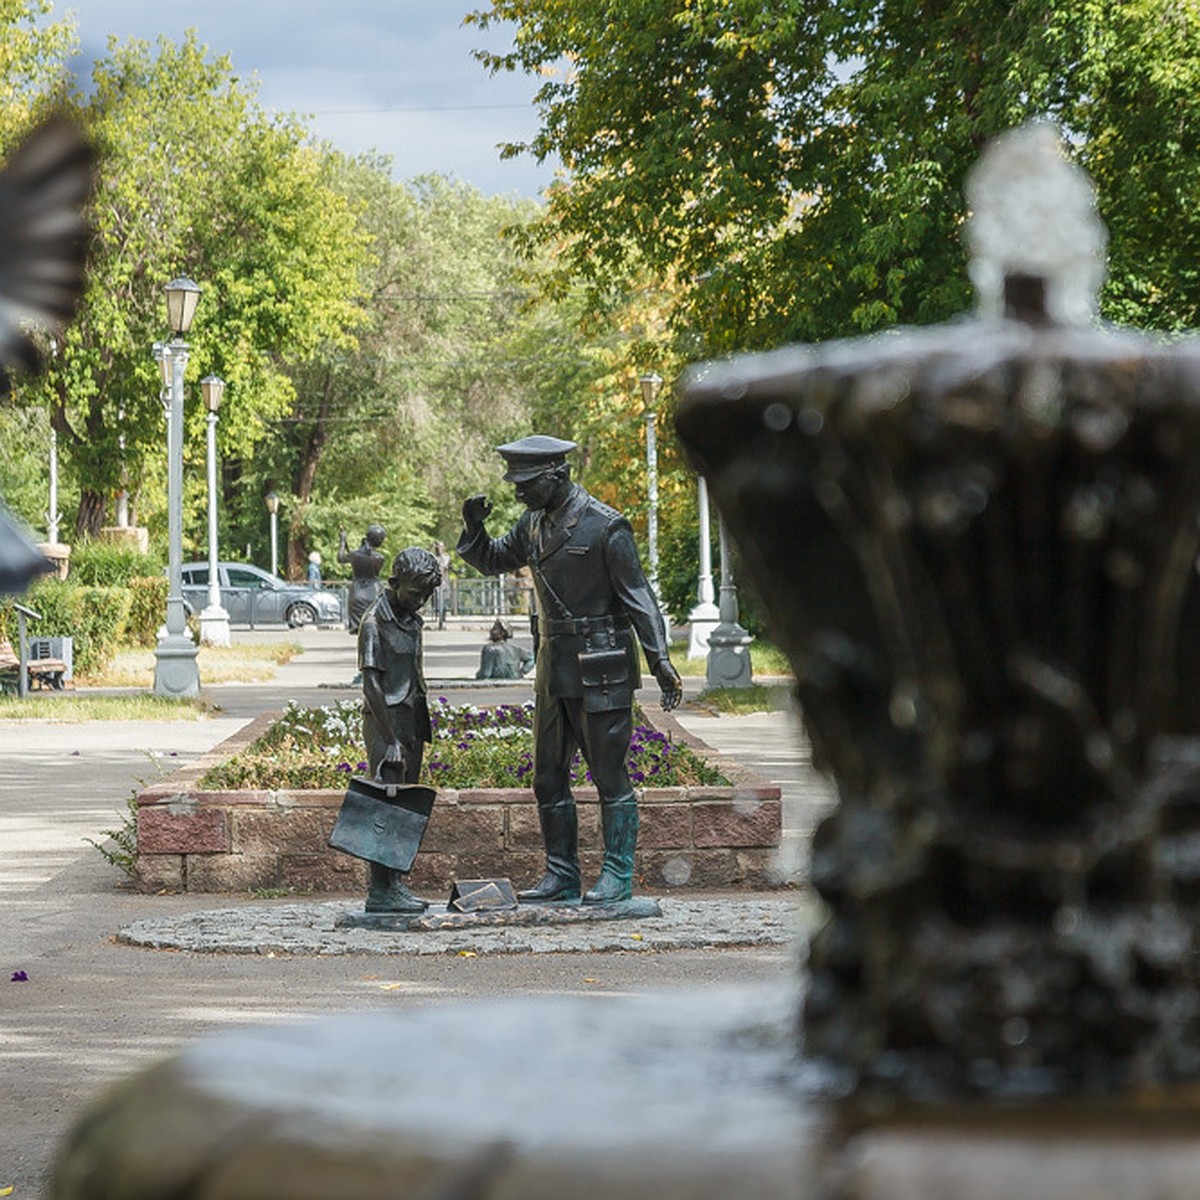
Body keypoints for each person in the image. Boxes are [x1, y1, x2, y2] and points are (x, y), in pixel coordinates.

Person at [457, 434, 683, 905]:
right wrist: (473, 528)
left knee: (609, 773)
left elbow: (639, 599)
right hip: (553, 667)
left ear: (557, 475)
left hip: (602, 665)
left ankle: (618, 875)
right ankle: (562, 875)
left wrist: (659, 658)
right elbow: (493, 560)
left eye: (526, 483)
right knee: (548, 777)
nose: (517, 492)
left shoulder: (605, 526)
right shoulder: (532, 524)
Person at [357, 546, 443, 913]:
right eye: (414, 593)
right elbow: (371, 685)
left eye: (427, 595)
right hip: (385, 722)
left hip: (411, 717)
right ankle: (381, 890)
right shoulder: (375, 621)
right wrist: (389, 739)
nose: (421, 601)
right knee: (385, 805)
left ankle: (396, 885)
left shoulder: (410, 618)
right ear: (393, 583)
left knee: (404, 807)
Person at [338, 524, 386, 634]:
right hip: (374, 593)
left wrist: (342, 541)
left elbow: (340, 558)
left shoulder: (355, 555)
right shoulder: (380, 558)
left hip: (357, 594)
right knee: (375, 628)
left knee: (359, 631)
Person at [432, 540, 452, 630]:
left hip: (445, 581)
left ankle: (443, 615)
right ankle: (437, 614)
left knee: (445, 598)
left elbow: (445, 566)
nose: (440, 548)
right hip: (436, 581)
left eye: (441, 546)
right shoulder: (433, 557)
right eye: (438, 546)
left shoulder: (446, 557)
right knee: (436, 598)